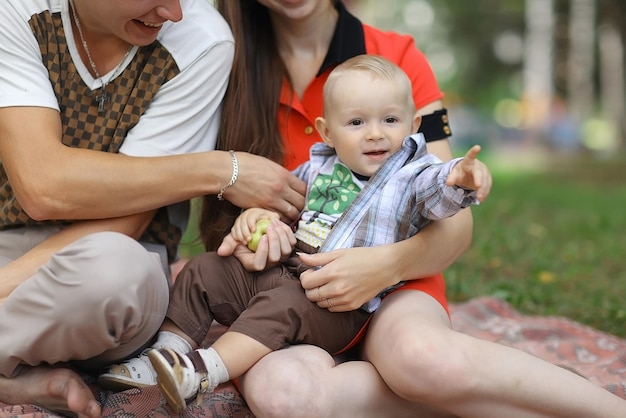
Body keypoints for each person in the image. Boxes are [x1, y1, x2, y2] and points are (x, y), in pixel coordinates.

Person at [205, 1, 625, 417]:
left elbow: (453, 220)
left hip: (396, 281)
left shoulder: (397, 56)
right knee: (284, 395)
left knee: (421, 358)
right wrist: (250, 228)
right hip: (283, 291)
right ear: (326, 132)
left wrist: (384, 266)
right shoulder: (220, 58)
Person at [97, 54, 492, 413]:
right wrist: (259, 219)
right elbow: (281, 210)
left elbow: (438, 192)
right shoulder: (316, 169)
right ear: (327, 131)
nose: (375, 134)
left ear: (412, 125)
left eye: (390, 120)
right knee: (204, 270)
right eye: (357, 122)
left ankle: (201, 371)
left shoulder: (412, 176)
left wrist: (460, 178)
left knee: (284, 302)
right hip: (283, 272)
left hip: (335, 304)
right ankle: (165, 356)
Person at [0, 0, 306, 417]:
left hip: (102, 282)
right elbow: (43, 187)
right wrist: (219, 169)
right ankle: (15, 379)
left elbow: (125, 221)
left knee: (119, 274)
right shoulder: (18, 9)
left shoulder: (203, 37)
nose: (174, 12)